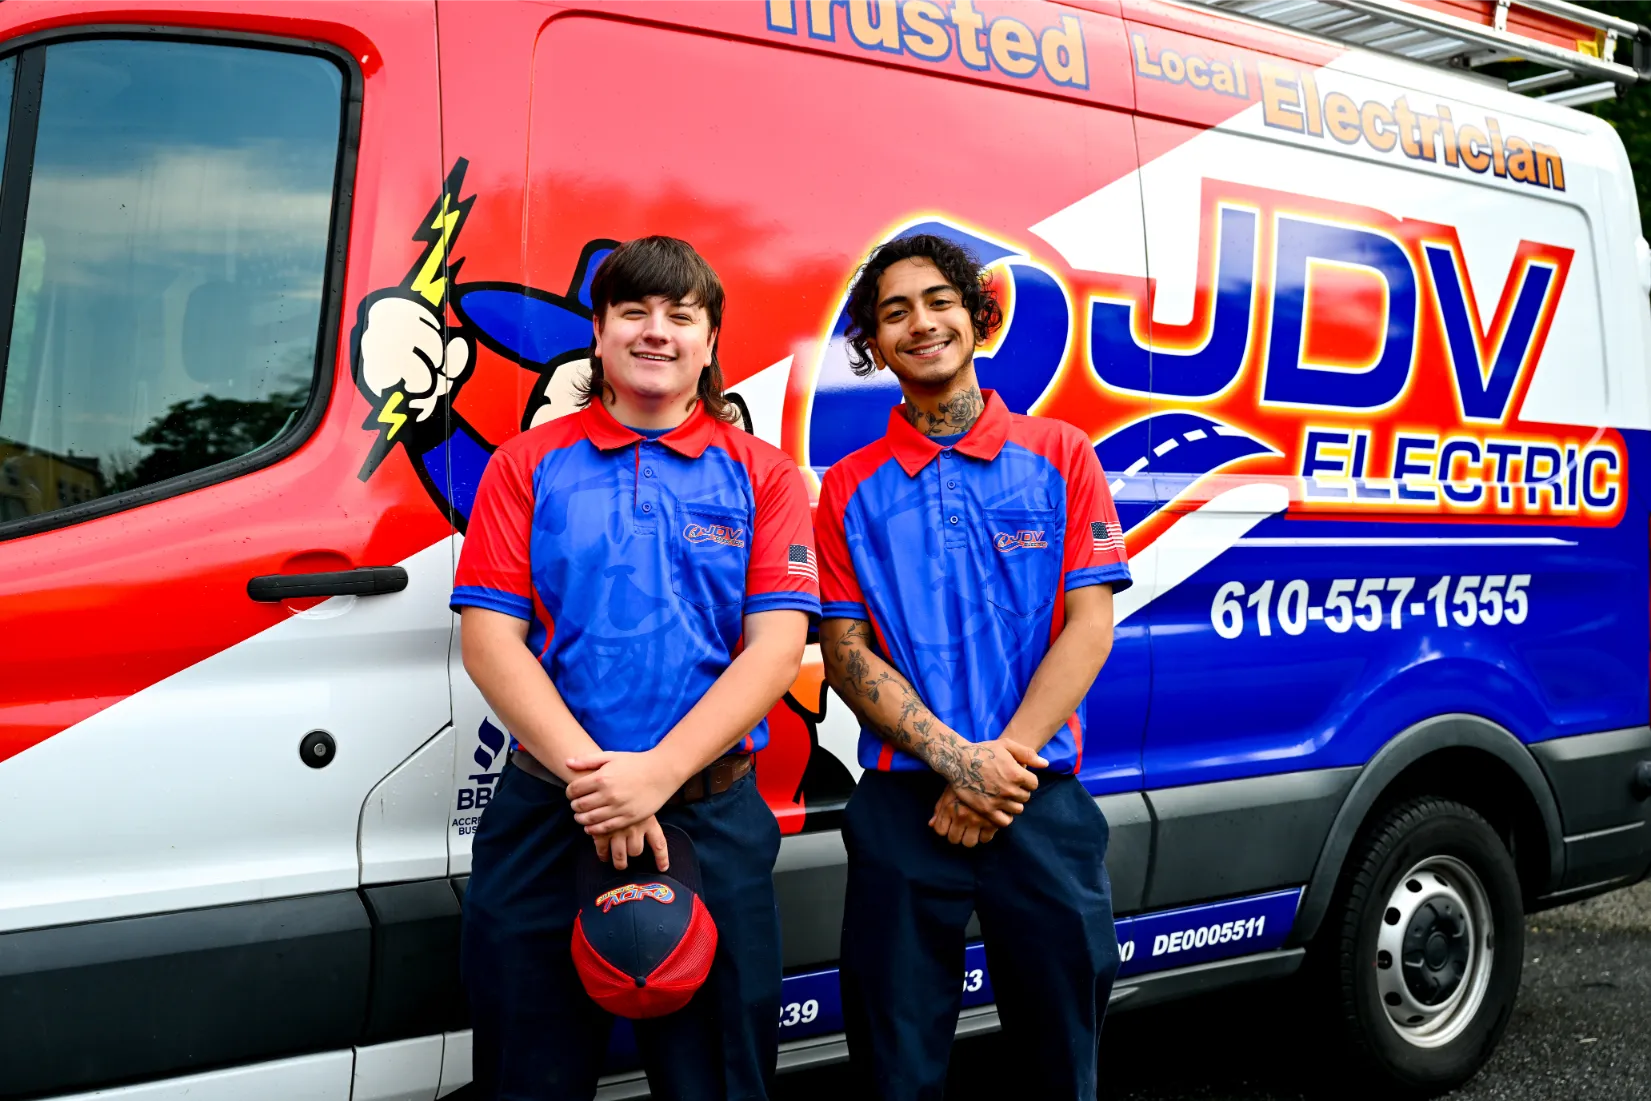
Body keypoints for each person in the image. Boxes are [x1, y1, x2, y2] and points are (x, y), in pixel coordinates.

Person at [451, 236, 817, 1100]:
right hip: (548, 817)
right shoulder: (525, 465)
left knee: (719, 1081)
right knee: (525, 1078)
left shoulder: (762, 477)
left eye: (680, 316)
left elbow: (775, 648)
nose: (657, 331)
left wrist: (654, 775)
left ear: (710, 339)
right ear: (600, 334)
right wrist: (601, 783)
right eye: (633, 313)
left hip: (710, 818)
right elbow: (489, 639)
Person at [815, 234, 1131, 1098]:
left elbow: (1088, 626)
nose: (920, 323)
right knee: (894, 1065)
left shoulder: (1062, 453)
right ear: (872, 344)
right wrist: (958, 762)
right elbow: (845, 652)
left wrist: (995, 767)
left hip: (1039, 802)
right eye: (893, 311)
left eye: (937, 301)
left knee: (1060, 1059)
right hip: (903, 812)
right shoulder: (845, 487)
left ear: (976, 315)